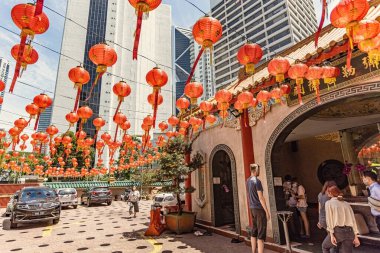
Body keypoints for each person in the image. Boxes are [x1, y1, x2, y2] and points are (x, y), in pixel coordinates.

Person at [322, 186, 360, 253]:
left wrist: (331, 235)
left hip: (338, 232)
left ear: (330, 193)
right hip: (350, 231)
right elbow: (353, 220)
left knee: (325, 247)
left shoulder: (328, 203)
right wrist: (355, 236)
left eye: (327, 192)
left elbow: (329, 220)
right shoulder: (346, 204)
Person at [246, 164, 270, 253]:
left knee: (254, 231)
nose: (259, 171)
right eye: (258, 169)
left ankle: (253, 251)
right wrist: (267, 211)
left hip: (252, 208)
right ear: (255, 170)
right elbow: (261, 197)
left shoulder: (248, 180)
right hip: (259, 209)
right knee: (261, 234)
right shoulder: (257, 181)